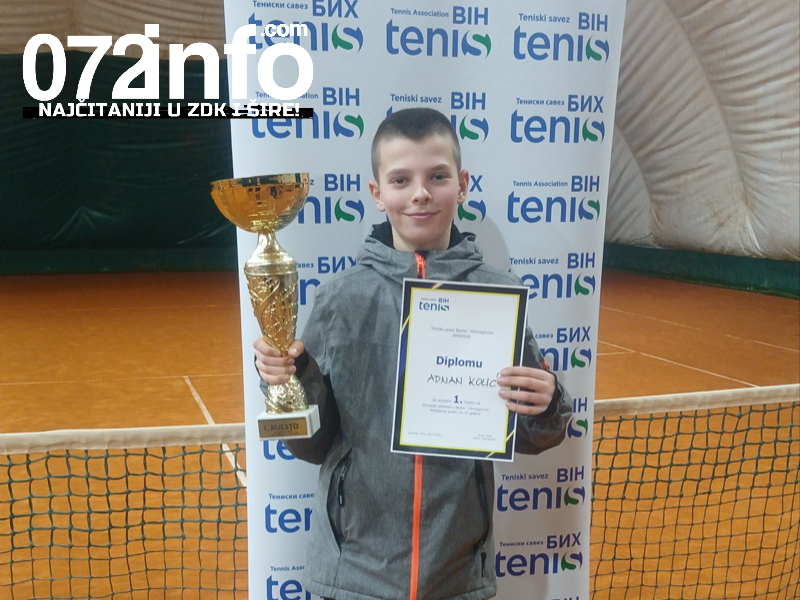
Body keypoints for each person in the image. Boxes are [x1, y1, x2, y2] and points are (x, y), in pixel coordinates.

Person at [254, 107, 572, 600]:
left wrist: (546, 403)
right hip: (354, 574)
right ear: (377, 193)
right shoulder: (341, 298)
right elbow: (313, 445)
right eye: (401, 180)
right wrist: (290, 383)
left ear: (462, 185)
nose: (420, 193)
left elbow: (536, 436)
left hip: (458, 574)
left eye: (437, 176)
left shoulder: (498, 296)